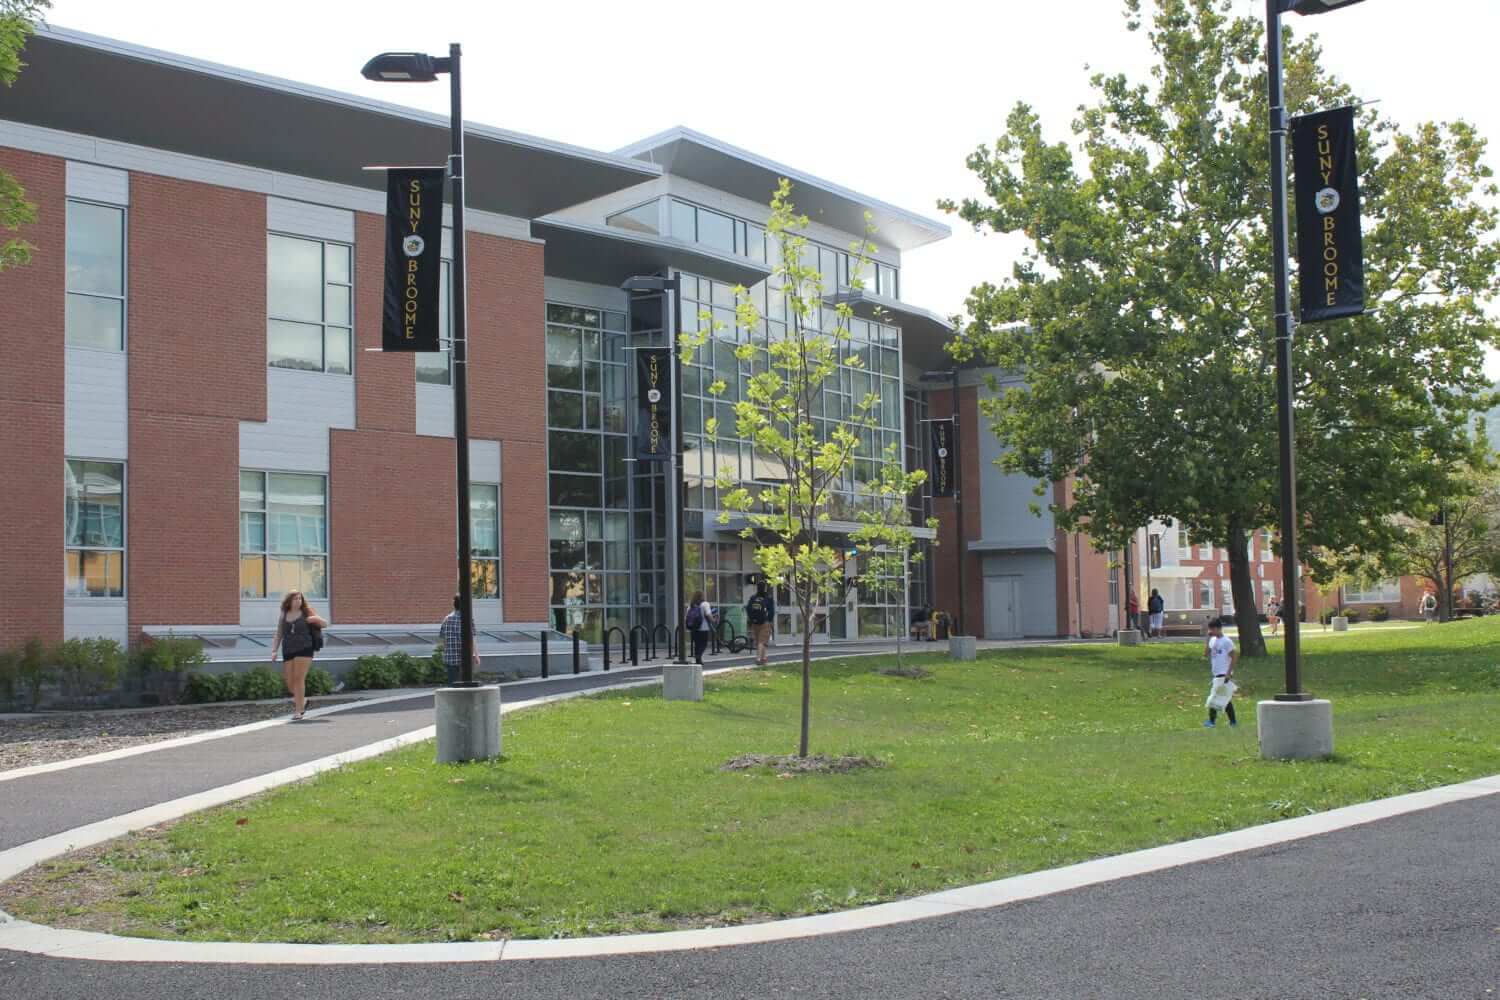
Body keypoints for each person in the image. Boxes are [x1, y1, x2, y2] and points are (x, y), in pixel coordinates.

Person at [270, 590, 327, 721]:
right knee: (289, 682)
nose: (298, 601)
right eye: (295, 599)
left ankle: (298, 710)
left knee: (298, 678)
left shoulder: (307, 611)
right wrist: (274, 650)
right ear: (289, 601)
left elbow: (325, 624)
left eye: (300, 598)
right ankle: (303, 700)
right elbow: (279, 633)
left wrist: (316, 619)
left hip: (305, 648)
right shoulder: (284, 614)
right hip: (288, 649)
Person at [438, 595, 481, 685]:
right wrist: (476, 655)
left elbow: (443, 639)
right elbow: (472, 638)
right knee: (465, 685)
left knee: (452, 685)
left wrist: (445, 652)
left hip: (450, 658)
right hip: (464, 658)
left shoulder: (447, 619)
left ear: (454, 605)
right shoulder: (468, 619)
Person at [1202, 619, 1237, 729]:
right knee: (1223, 698)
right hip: (1216, 674)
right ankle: (1233, 721)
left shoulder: (1226, 641)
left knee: (1214, 698)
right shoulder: (1213, 640)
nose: (1211, 631)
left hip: (1223, 673)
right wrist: (1208, 639)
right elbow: (1205, 654)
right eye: (1210, 629)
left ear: (1218, 628)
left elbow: (1234, 657)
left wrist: (1229, 672)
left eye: (1212, 629)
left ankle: (1212, 721)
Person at [744, 584, 775, 666]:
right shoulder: (768, 598)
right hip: (765, 622)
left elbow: (748, 609)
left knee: (759, 642)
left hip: (755, 623)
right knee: (762, 641)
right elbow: (771, 611)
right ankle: (758, 659)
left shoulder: (753, 598)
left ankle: (764, 658)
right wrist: (770, 620)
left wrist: (751, 619)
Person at [686, 591, 716, 666]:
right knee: (704, 644)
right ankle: (698, 657)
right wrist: (713, 620)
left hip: (693, 628)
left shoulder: (691, 605)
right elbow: (708, 615)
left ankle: (697, 659)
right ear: (702, 596)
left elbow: (687, 616)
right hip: (703, 628)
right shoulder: (705, 604)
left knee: (697, 644)